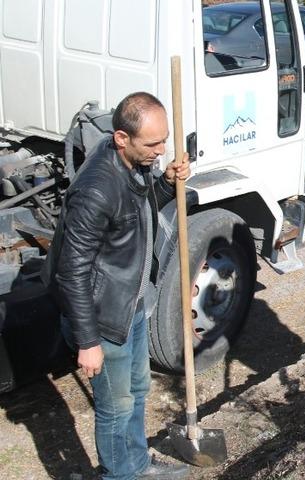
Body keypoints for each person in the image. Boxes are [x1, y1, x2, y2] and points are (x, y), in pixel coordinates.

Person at [49, 92, 191, 479]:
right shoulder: (95, 191)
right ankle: (120, 474)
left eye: (164, 140)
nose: (161, 151)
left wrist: (164, 182)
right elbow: (71, 272)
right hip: (106, 319)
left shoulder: (133, 164)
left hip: (132, 304)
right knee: (116, 407)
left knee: (138, 392)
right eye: (153, 144)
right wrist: (88, 341)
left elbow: (136, 213)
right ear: (122, 138)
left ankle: (138, 464)